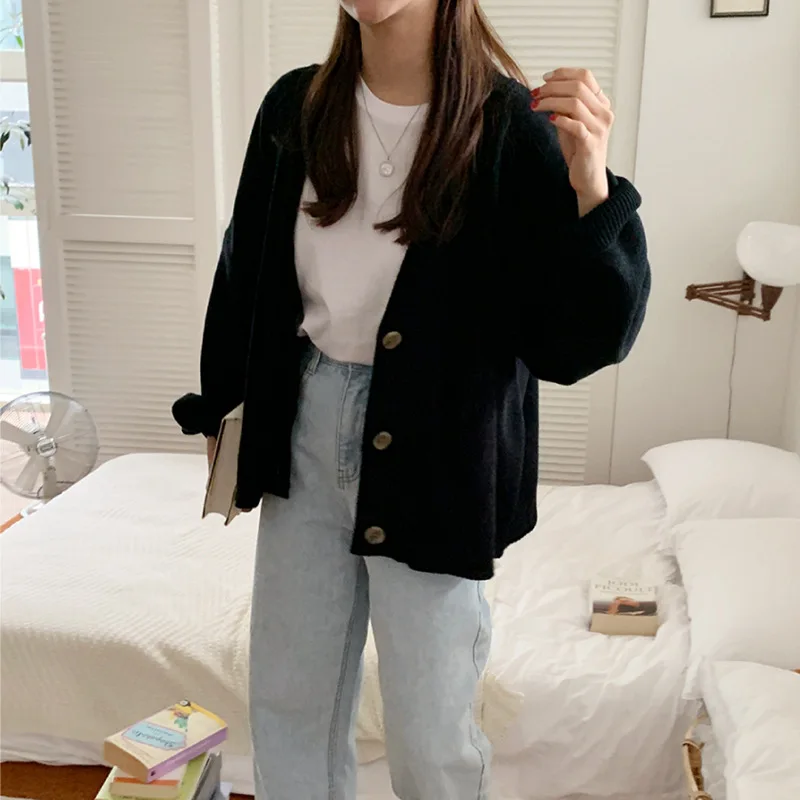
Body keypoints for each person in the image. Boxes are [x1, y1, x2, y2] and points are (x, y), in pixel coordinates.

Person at [172, 0, 651, 797]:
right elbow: (243, 272)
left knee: (431, 736)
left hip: (440, 448)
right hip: (303, 427)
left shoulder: (511, 127)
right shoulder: (295, 107)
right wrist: (221, 407)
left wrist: (592, 188)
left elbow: (574, 346)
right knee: (290, 707)